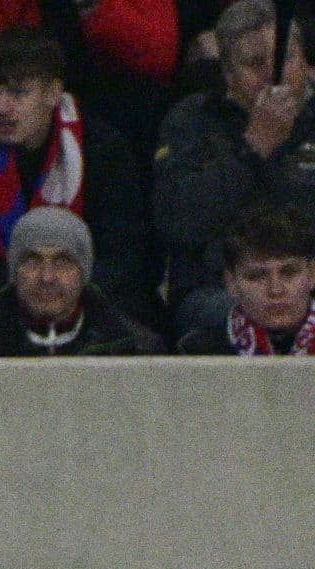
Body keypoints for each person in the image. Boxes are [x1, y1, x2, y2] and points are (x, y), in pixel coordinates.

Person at [0, 26, 154, 330]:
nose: (1, 107)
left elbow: (123, 252)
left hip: (87, 302)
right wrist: (29, 295)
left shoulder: (102, 149)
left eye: (18, 92)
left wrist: (61, 296)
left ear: (52, 93)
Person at [155, 0, 315, 340]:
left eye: (284, 59)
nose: (273, 77)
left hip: (307, 282)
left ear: (305, 63)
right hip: (219, 289)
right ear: (228, 74)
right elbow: (179, 223)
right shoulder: (191, 122)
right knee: (231, 317)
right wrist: (252, 150)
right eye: (255, 64)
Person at [0, 205, 164, 354]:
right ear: (14, 271)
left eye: (63, 262)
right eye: (32, 261)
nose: (47, 277)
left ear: (83, 272)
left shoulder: (133, 349)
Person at [177, 204, 315, 352]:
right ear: (231, 283)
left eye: (289, 273)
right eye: (257, 277)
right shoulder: (199, 352)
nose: (275, 290)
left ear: (312, 275)